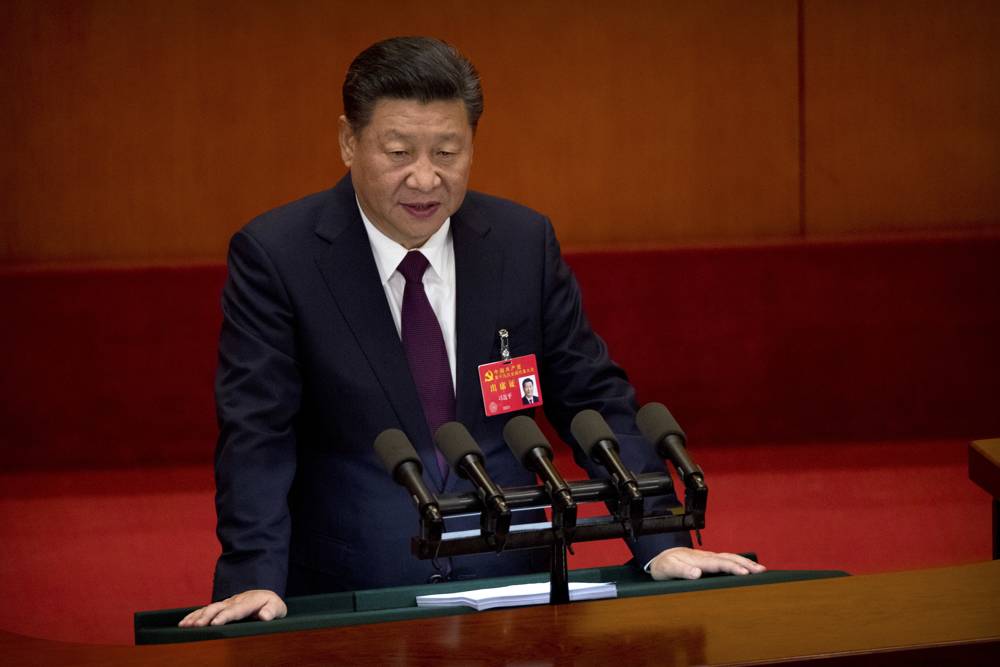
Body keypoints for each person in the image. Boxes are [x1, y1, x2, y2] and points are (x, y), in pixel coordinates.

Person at [180, 36, 763, 629]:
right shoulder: (280, 256)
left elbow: (592, 397)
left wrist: (660, 534)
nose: (426, 179)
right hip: (353, 594)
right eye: (400, 151)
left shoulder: (520, 243)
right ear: (348, 142)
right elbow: (258, 430)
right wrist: (252, 575)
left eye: (448, 152)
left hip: (520, 583)